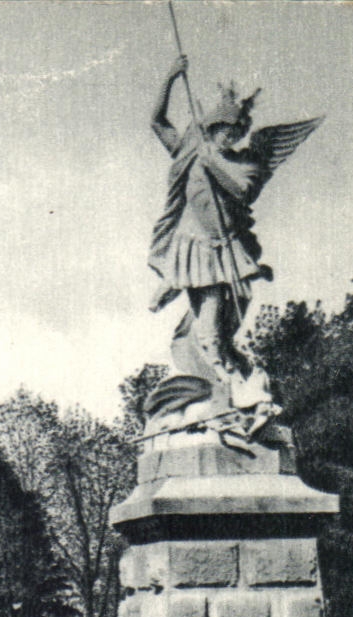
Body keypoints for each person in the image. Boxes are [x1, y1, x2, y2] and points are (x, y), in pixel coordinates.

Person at [147, 54, 321, 430]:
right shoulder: (191, 153)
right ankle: (233, 392)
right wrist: (170, 78)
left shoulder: (246, 164)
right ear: (210, 129)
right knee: (207, 328)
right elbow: (157, 122)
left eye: (236, 132)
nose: (230, 136)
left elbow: (242, 190)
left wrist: (213, 161)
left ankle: (242, 392)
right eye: (223, 130)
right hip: (192, 250)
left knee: (224, 328)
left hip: (228, 253)